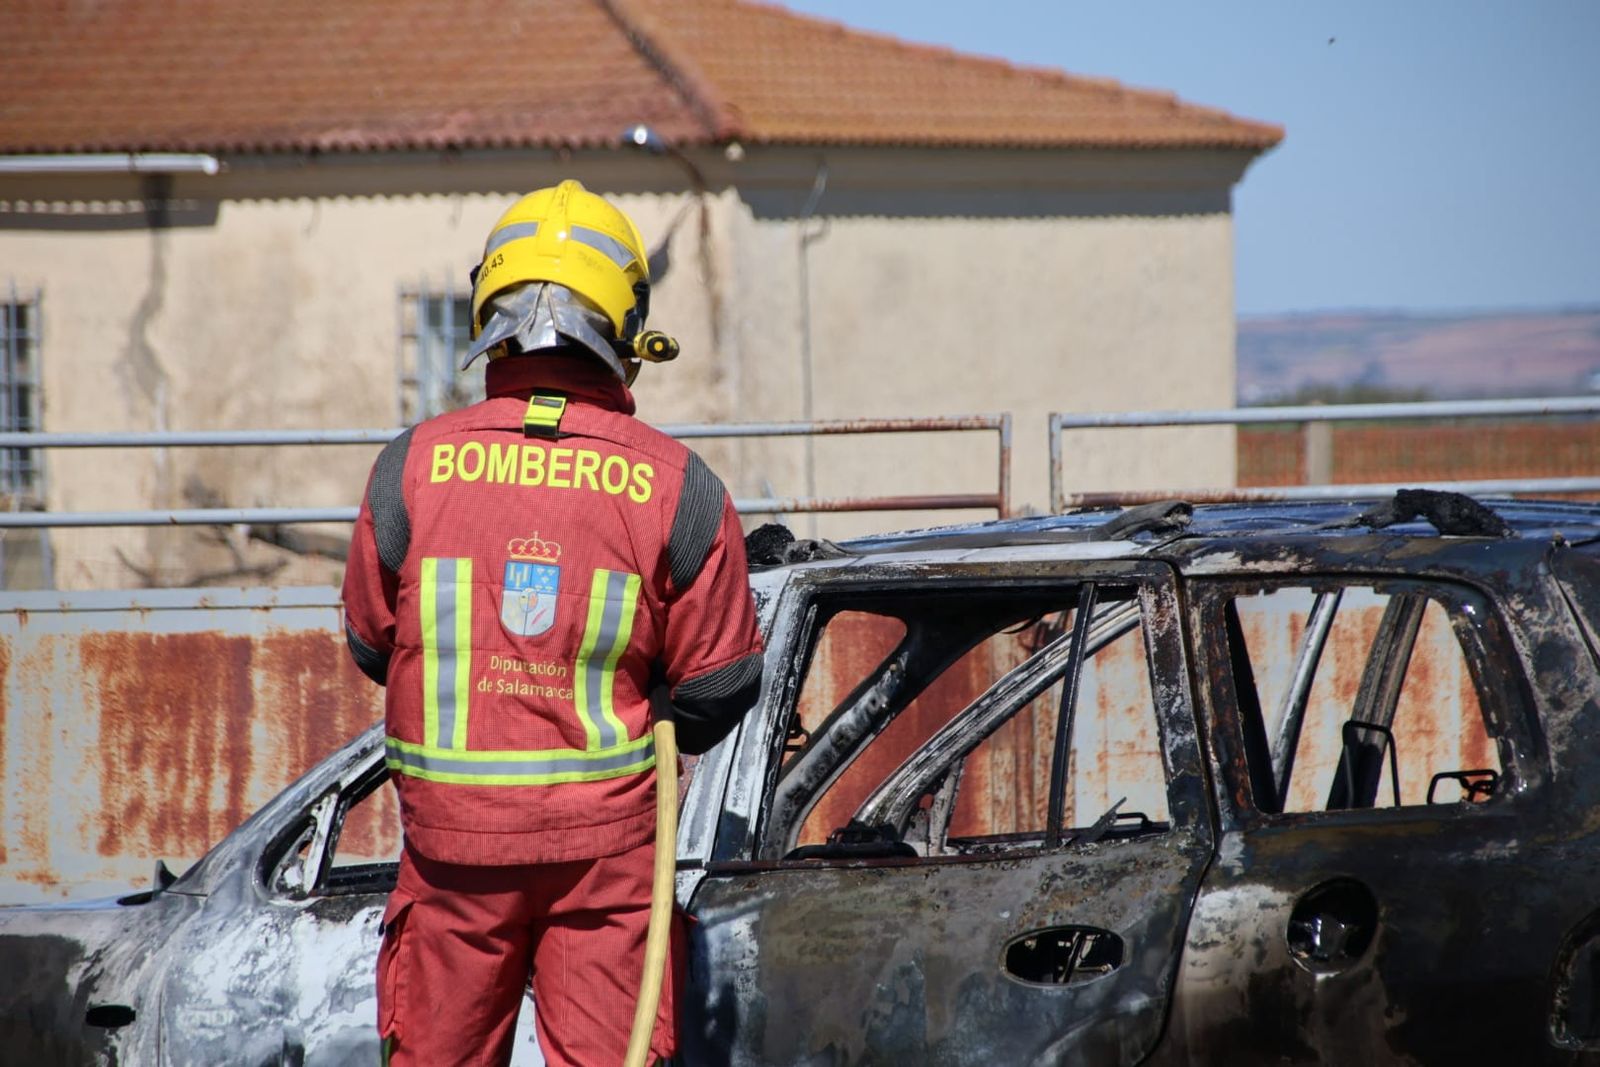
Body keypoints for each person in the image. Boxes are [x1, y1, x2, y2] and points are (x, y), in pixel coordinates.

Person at [341, 180, 764, 1067]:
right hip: (606, 866)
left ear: (487, 305)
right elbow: (720, 685)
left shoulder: (408, 470)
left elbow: (371, 644)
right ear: (628, 328)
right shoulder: (678, 486)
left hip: (451, 859)